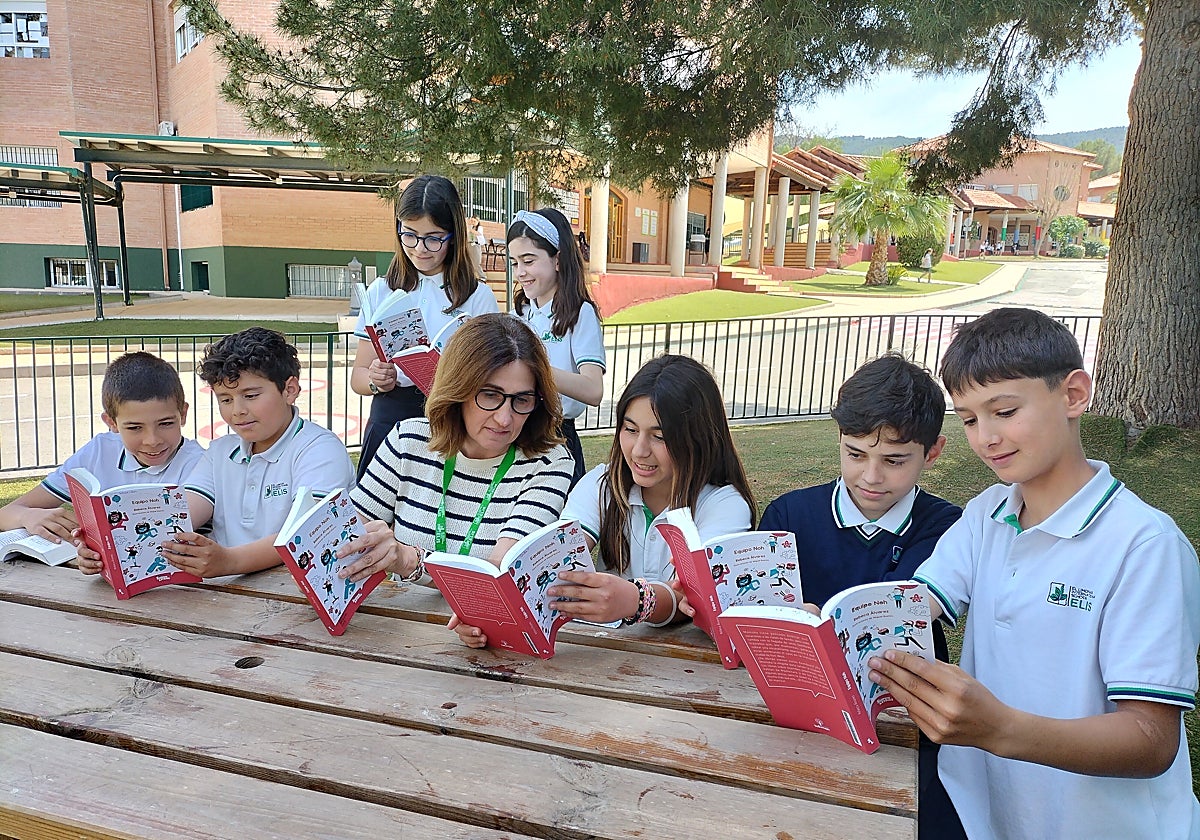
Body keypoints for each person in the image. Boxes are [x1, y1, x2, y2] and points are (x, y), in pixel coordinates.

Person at [869, 308, 1200, 840]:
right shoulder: (986, 514)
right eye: (971, 419)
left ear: (1073, 395)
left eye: (1004, 411)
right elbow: (918, 599)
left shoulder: (1144, 546)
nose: (986, 438)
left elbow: (1150, 740)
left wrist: (1001, 730)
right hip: (997, 816)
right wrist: (834, 620)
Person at [756, 352, 964, 839]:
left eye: (894, 460)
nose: (871, 476)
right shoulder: (790, 515)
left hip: (904, 721)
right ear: (839, 440)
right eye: (855, 454)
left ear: (933, 452)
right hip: (800, 714)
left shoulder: (950, 530)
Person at [451, 355, 754, 645]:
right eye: (630, 429)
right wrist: (485, 614)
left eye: (659, 436)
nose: (638, 450)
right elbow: (556, 559)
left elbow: (691, 599)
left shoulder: (724, 505)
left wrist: (636, 600)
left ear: (698, 437)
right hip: (603, 661)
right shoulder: (601, 485)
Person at [75, 328, 354, 578]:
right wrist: (106, 547)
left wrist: (230, 561)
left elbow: (308, 535)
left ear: (289, 389)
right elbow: (179, 515)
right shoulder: (220, 452)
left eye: (251, 395)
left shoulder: (319, 449)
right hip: (228, 596)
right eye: (225, 399)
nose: (237, 410)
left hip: (294, 595)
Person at [341, 313, 574, 590]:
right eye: (490, 395)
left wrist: (410, 561)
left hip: (484, 630)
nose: (505, 418)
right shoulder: (409, 439)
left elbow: (501, 577)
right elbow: (346, 538)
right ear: (458, 390)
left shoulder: (548, 462)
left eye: (522, 400)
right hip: (398, 627)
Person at [350, 175, 499, 479]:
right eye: (410, 235)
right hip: (390, 415)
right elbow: (359, 377)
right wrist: (378, 380)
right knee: (377, 517)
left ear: (454, 235)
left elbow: (490, 375)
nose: (420, 249)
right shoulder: (382, 290)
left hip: (449, 418)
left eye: (433, 238)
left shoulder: (476, 296)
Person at [0, 351, 204, 546]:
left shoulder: (201, 464)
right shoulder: (98, 452)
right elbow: (5, 514)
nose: (152, 440)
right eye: (134, 428)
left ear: (183, 414)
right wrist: (27, 515)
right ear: (111, 422)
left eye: (166, 423)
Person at [507, 207, 606, 487]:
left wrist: (537, 369)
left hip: (558, 438)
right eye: (515, 263)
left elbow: (593, 390)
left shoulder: (579, 313)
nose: (521, 272)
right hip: (519, 435)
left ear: (558, 260)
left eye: (529, 261)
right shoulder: (521, 311)